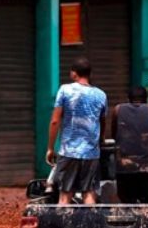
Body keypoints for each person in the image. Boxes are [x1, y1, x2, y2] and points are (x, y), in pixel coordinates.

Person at [46, 57, 108, 205]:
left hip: (69, 152)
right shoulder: (101, 95)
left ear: (74, 73)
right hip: (91, 153)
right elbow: (102, 122)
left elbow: (55, 121)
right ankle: (90, 221)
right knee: (89, 194)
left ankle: (64, 220)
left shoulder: (65, 90)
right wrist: (100, 140)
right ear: (90, 74)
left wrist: (50, 148)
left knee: (65, 195)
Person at [111, 85, 148, 204]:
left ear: (128, 99)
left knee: (126, 203)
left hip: (124, 166)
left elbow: (114, 134)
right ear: (146, 99)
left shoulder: (118, 109)